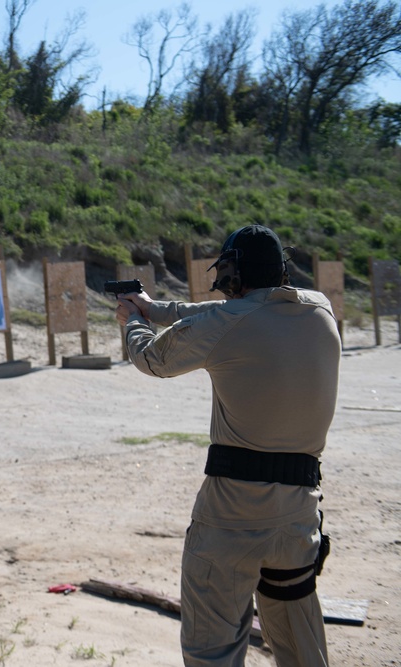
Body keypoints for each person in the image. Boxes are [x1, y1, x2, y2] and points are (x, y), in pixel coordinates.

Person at [114, 225, 339, 667]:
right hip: (297, 517)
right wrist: (157, 307)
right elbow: (233, 313)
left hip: (232, 517)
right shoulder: (320, 310)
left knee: (212, 652)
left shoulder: (226, 323)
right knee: (302, 648)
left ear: (233, 272)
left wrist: (134, 321)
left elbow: (152, 360)